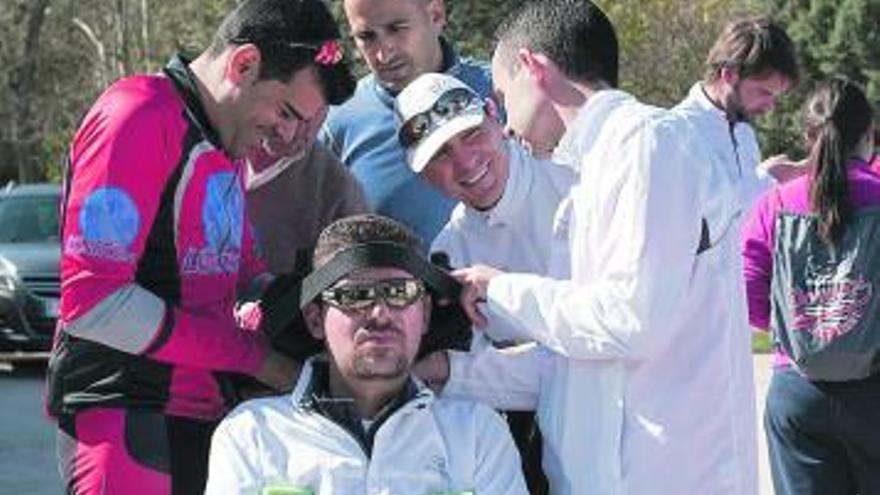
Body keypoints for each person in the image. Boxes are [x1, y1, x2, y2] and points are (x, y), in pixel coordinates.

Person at [427, 1, 759, 493]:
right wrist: (447, 370)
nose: (508, 122)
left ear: (534, 68)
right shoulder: (593, 171)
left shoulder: (649, 143)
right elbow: (571, 365)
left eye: (502, 92)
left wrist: (502, 291)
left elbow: (630, 320)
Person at [46, 1, 355, 493]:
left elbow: (242, 277)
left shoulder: (223, 143)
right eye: (287, 112)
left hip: (204, 412)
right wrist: (253, 358)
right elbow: (93, 302)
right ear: (243, 64)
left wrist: (330, 308)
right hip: (129, 413)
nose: (290, 136)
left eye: (305, 124)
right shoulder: (139, 113)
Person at [205, 213, 528, 494]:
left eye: (400, 293)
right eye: (354, 295)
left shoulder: (477, 436)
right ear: (316, 319)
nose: (380, 313)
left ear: (425, 314)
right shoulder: (252, 433)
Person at [397, 72, 577, 494]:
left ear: (496, 118)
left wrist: (451, 371)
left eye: (472, 134)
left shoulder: (579, 185)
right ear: (423, 176)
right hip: (543, 449)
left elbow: (609, 339)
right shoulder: (449, 253)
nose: (464, 162)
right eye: (441, 153)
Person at [742, 79, 880, 495]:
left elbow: (747, 286)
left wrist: (799, 331)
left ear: (808, 136)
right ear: (868, 134)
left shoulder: (776, 203)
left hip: (798, 390)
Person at [320, 0, 495, 245]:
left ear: (435, 15)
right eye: (367, 37)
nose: (383, 53)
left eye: (396, 28)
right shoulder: (337, 123)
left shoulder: (504, 91)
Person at [674, 16, 802, 206]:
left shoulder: (745, 134)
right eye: (764, 92)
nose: (770, 107)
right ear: (729, 74)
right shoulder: (679, 132)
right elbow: (699, 220)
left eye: (776, 97)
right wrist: (767, 179)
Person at [245, 141, 368, 275]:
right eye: (286, 117)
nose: (289, 132)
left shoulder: (337, 188)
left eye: (310, 120)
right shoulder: (225, 146)